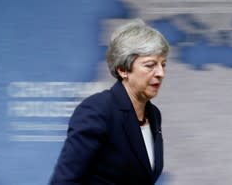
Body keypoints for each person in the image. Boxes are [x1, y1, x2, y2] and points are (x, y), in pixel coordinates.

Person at [50, 19, 169, 184]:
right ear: (123, 70)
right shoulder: (97, 110)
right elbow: (64, 181)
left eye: (163, 64)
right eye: (150, 65)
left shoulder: (153, 115)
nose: (161, 73)